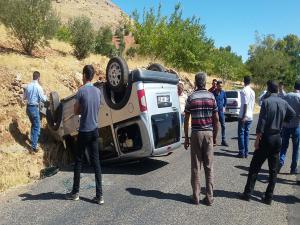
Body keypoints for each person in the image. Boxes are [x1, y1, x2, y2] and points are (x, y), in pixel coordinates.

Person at [240, 81, 295, 205]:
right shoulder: (284, 102)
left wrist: (257, 139)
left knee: (254, 167)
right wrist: (283, 122)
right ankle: (268, 197)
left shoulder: (266, 102)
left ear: (269, 90)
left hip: (266, 138)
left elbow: (262, 122)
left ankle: (247, 193)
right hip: (277, 138)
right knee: (273, 170)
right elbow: (292, 114)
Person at [65, 65, 104, 205]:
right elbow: (97, 107)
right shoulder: (97, 91)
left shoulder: (81, 91)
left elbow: (76, 111)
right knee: (96, 163)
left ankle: (75, 193)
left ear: (84, 75)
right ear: (92, 76)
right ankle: (99, 196)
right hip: (94, 130)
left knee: (79, 161)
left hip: (84, 131)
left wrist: (81, 108)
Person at [184, 72, 219, 206]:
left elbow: (186, 119)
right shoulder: (211, 97)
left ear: (196, 82)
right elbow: (216, 119)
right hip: (208, 133)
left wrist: (186, 138)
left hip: (196, 134)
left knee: (195, 167)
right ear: (205, 82)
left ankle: (196, 197)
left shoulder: (191, 97)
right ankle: (209, 197)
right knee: (209, 167)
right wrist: (215, 136)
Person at [279, 81, 300, 174]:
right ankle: (293, 168)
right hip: (296, 126)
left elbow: (282, 109)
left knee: (284, 146)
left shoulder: (286, 96)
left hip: (285, 125)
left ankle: (280, 161)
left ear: (294, 87)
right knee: (296, 148)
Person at [24, 71, 47, 153]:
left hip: (28, 108)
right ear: (38, 78)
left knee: (34, 125)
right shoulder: (38, 87)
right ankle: (33, 147)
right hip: (34, 108)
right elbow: (44, 99)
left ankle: (33, 141)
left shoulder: (28, 86)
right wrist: (45, 94)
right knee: (37, 127)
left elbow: (24, 97)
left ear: (33, 76)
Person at [237, 76, 255, 158]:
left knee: (241, 134)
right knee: (246, 134)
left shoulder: (244, 91)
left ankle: (242, 152)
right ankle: (246, 152)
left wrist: (244, 116)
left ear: (244, 81)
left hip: (244, 116)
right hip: (250, 115)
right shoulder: (252, 91)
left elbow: (245, 104)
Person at [213, 80, 229, 146]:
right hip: (214, 112)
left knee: (223, 125)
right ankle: (214, 139)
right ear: (217, 86)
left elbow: (225, 100)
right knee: (214, 126)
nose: (221, 87)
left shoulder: (223, 92)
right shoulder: (213, 93)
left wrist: (224, 106)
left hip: (221, 112)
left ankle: (223, 140)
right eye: (220, 86)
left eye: (222, 86)